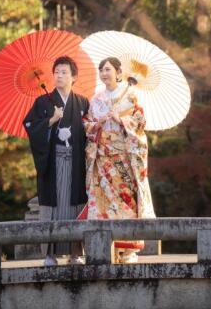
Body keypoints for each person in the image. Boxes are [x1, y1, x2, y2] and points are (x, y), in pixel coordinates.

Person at [79, 56, 155, 263]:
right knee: (104, 202)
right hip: (103, 158)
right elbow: (86, 124)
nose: (104, 73)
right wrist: (97, 123)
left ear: (119, 72)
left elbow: (140, 122)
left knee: (127, 200)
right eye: (101, 70)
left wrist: (121, 120)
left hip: (124, 158)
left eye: (108, 69)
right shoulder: (96, 99)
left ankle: (129, 250)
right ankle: (108, 246)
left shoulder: (131, 96)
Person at [23, 56, 89, 266]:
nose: (59, 76)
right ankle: (49, 255)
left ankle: (76, 253)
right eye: (57, 72)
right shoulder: (43, 102)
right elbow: (30, 125)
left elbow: (90, 132)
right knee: (51, 207)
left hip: (76, 164)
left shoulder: (82, 103)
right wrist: (51, 119)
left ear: (74, 77)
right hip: (52, 163)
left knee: (75, 205)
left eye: (64, 72)